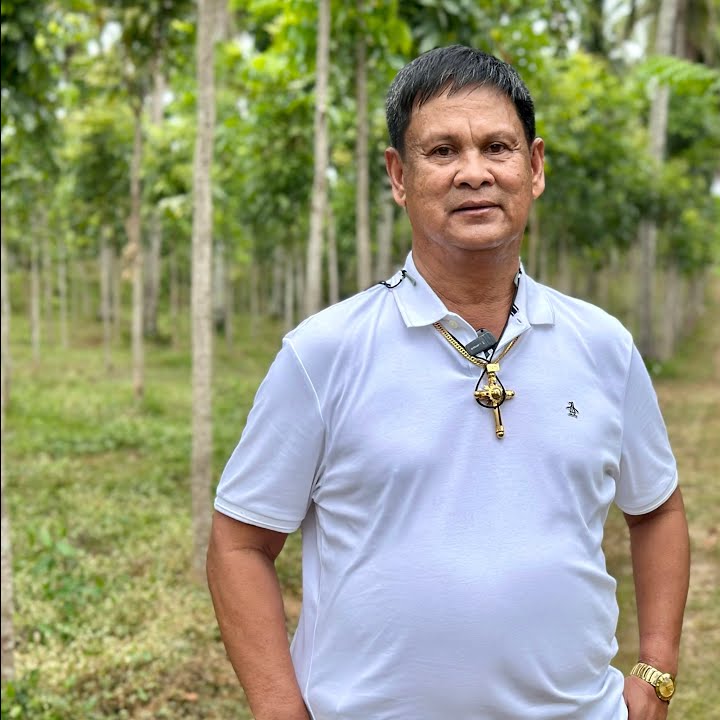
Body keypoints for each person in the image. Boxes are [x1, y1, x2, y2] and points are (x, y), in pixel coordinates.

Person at [206, 45, 690, 719]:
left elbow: (657, 509)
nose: (474, 173)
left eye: (498, 147)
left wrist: (655, 672)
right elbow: (239, 543)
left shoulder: (603, 346)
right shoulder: (323, 354)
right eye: (442, 151)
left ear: (536, 167)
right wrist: (281, 710)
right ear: (399, 176)